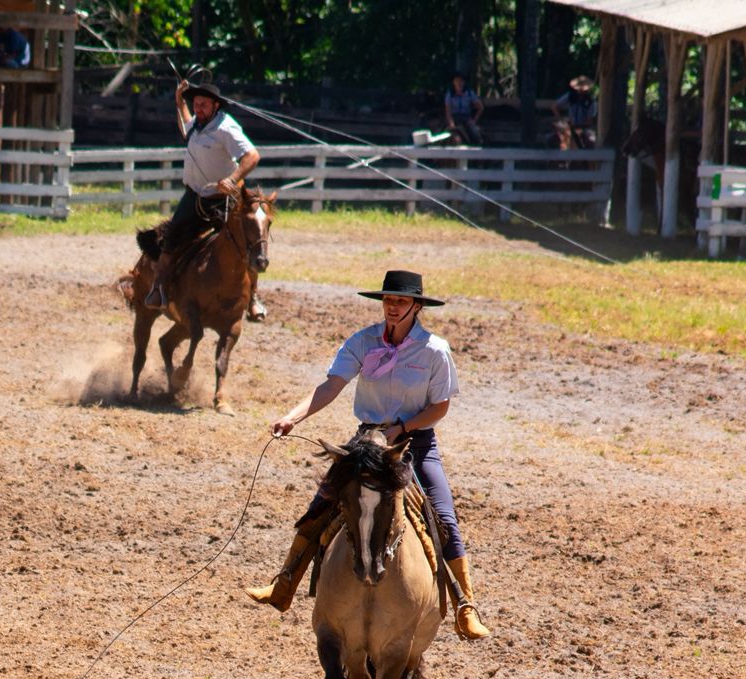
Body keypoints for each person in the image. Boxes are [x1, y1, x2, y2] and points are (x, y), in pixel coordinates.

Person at [244, 270, 490, 640]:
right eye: (389, 300)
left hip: (415, 444)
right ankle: (284, 584)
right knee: (321, 503)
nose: (393, 307)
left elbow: (439, 407)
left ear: (417, 306)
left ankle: (465, 605)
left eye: (401, 301)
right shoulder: (363, 341)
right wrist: (292, 418)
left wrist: (402, 428)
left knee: (443, 516)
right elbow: (331, 385)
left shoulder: (435, 350)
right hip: (367, 441)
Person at [144, 72, 266, 322]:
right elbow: (185, 125)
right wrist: (180, 101)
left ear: (215, 106)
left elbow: (252, 155)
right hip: (195, 196)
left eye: (203, 105)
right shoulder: (197, 125)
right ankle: (159, 288)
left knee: (244, 243)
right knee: (171, 237)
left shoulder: (226, 128)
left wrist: (232, 179)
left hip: (223, 198)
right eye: (196, 104)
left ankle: (252, 296)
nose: (198, 109)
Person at [554, 75, 597, 148]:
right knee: (557, 137)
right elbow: (555, 107)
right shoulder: (570, 96)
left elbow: (589, 121)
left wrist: (577, 127)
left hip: (584, 128)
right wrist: (562, 120)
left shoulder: (591, 101)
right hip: (568, 126)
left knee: (590, 139)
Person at [444, 72, 484, 146]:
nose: (459, 83)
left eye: (461, 81)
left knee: (474, 133)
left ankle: (477, 146)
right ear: (453, 82)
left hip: (466, 117)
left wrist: (474, 121)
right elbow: (448, 111)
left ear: (464, 82)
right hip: (454, 116)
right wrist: (451, 123)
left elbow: (480, 107)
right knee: (450, 133)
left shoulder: (469, 93)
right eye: (457, 81)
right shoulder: (450, 94)